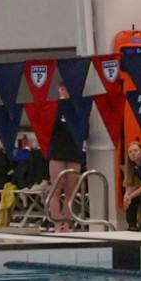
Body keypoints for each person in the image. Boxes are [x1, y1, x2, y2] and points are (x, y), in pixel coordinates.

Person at [44, 89, 85, 233]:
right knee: (56, 190)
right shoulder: (55, 108)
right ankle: (56, 225)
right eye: (62, 91)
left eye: (67, 90)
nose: (65, 93)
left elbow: (85, 131)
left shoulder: (79, 108)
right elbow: (47, 128)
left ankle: (66, 225)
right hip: (57, 151)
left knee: (70, 192)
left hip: (74, 151)